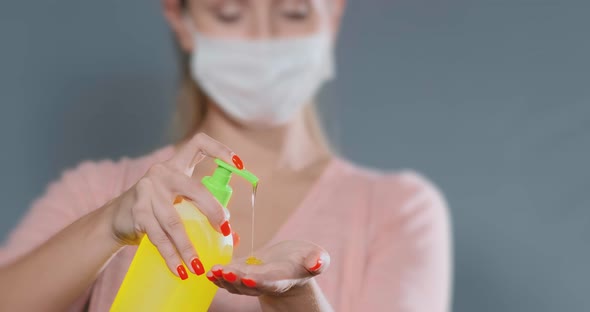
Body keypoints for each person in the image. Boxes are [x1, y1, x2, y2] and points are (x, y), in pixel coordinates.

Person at [0, 0, 452, 311]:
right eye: (230, 12)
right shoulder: (98, 191)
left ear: (332, 15)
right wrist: (107, 225)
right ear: (181, 20)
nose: (263, 40)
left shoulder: (398, 210)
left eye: (293, 11)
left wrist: (297, 302)